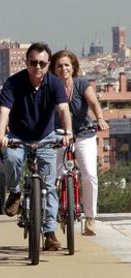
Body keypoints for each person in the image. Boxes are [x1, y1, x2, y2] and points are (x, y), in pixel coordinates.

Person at [0, 42, 73, 251]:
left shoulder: (55, 83)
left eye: (42, 63)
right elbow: (4, 111)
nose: (37, 67)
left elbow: (64, 110)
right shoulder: (13, 83)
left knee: (48, 186)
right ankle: (14, 192)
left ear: (48, 64)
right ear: (26, 62)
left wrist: (68, 133)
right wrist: (1, 134)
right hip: (18, 135)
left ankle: (49, 232)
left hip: (46, 137)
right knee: (11, 158)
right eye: (33, 62)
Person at [50, 50, 109, 236]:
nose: (63, 68)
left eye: (67, 65)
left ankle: (90, 218)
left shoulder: (81, 85)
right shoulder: (49, 87)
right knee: (54, 177)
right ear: (53, 69)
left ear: (73, 67)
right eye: (59, 65)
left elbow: (93, 103)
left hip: (84, 134)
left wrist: (99, 118)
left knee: (89, 174)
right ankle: (58, 210)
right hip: (59, 135)